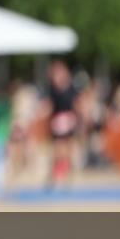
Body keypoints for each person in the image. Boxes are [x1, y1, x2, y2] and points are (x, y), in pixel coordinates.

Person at [43, 60, 80, 189]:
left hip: (68, 120)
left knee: (68, 150)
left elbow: (76, 104)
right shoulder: (53, 89)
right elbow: (50, 106)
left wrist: (78, 118)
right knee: (58, 150)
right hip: (58, 121)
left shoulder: (71, 88)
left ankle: (67, 176)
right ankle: (54, 175)